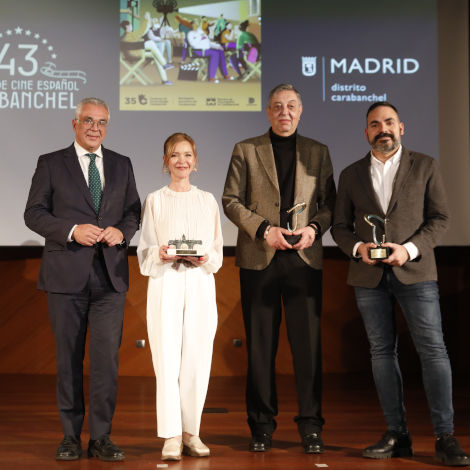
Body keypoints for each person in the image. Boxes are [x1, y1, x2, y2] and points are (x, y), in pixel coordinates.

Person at [331, 101, 469, 467]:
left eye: (389, 122)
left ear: (401, 127)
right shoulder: (350, 174)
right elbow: (340, 227)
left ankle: (445, 436)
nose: (383, 129)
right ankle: (398, 434)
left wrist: (408, 250)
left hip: (416, 272)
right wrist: (358, 247)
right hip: (368, 276)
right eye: (375, 124)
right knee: (381, 353)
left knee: (433, 351)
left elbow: (440, 218)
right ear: (366, 133)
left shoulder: (424, 165)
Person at [24, 97, 141, 461]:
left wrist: (120, 233)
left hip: (110, 278)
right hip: (65, 276)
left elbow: (133, 213)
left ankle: (102, 437)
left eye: (102, 122)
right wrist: (72, 230)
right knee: (68, 359)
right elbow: (34, 213)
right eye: (88, 120)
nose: (95, 127)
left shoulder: (122, 164)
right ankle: (71, 436)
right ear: (75, 124)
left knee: (106, 361)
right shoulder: (51, 163)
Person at [222, 83, 336, 454]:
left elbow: (330, 204)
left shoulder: (318, 151)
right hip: (260, 256)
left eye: (291, 106)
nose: (284, 112)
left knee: (308, 349)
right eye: (277, 107)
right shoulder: (246, 149)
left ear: (300, 111)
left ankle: (311, 426)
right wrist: (263, 229)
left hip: (304, 258)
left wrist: (314, 229)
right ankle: (261, 426)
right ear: (267, 112)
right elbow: (230, 200)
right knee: (259, 348)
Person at [137, 132, 223, 461]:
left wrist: (204, 258)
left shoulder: (207, 200)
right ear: (165, 162)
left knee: (198, 360)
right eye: (174, 155)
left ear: (196, 162)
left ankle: (192, 433)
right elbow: (145, 251)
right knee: (167, 360)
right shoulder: (155, 199)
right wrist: (160, 252)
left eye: (187, 155)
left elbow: (215, 251)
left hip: (199, 283)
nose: (181, 161)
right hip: (165, 283)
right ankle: (171, 435)